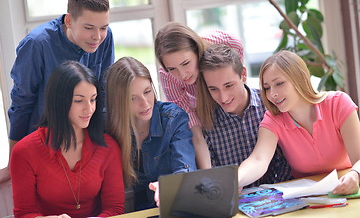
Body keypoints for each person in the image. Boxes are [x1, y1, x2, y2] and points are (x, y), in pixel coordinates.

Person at [7, 0, 114, 164]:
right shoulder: (37, 44)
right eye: (89, 28)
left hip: (85, 144)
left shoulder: (105, 38)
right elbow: (21, 103)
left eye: (103, 27)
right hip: (43, 146)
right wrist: (13, 161)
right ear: (69, 21)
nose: (97, 36)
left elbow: (103, 94)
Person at [10, 61, 124, 218]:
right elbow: (24, 213)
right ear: (59, 102)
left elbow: (115, 209)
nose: (89, 109)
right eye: (79, 100)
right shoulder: (24, 152)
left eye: (93, 99)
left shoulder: (108, 147)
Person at [237, 50, 360, 195]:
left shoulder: (338, 103)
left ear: (299, 78)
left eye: (279, 83)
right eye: (267, 88)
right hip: (308, 199)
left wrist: (355, 174)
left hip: (348, 190)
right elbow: (258, 159)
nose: (272, 94)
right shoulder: (273, 119)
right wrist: (235, 181)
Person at [105, 57, 196, 210]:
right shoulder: (109, 126)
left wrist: (169, 185)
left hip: (173, 207)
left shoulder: (172, 118)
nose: (145, 103)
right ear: (119, 101)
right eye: (133, 98)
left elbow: (186, 167)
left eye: (147, 92)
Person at [196, 44, 292, 188]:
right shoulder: (206, 124)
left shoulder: (271, 104)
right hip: (236, 204)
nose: (223, 97)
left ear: (243, 75)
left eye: (229, 85)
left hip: (285, 196)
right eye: (213, 89)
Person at [154, 21, 244, 169]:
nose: (182, 75)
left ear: (197, 50)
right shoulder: (167, 76)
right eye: (172, 68)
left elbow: (236, 80)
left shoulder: (226, 43)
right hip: (199, 108)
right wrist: (208, 175)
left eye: (185, 63)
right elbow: (195, 133)